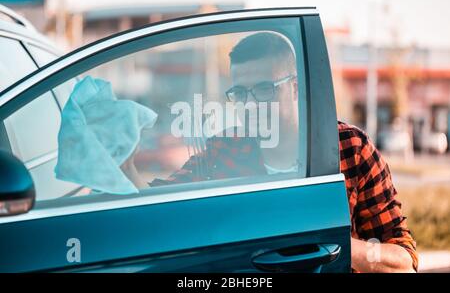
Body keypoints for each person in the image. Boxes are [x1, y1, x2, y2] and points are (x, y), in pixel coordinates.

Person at [122, 32, 418, 272]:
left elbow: (403, 261)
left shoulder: (350, 148)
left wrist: (335, 244)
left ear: (296, 88)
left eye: (264, 89)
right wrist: (124, 164)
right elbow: (160, 207)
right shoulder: (224, 149)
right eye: (239, 93)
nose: (250, 105)